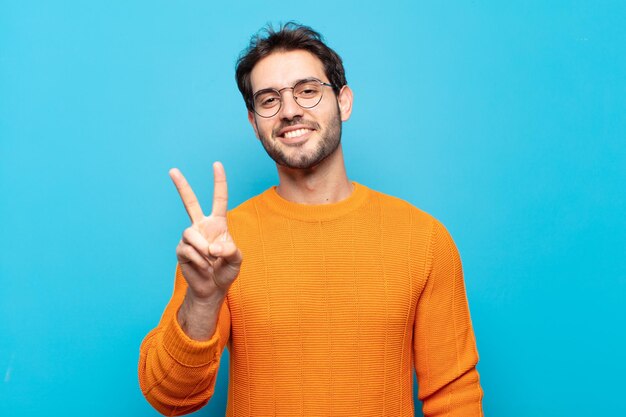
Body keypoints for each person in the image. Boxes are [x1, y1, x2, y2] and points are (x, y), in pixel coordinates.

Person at [138, 22, 484, 417]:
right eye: (269, 100)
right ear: (255, 124)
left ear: (344, 101)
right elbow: (169, 397)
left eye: (307, 91)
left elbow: (454, 395)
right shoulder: (219, 247)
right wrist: (202, 302)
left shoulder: (423, 239)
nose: (289, 111)